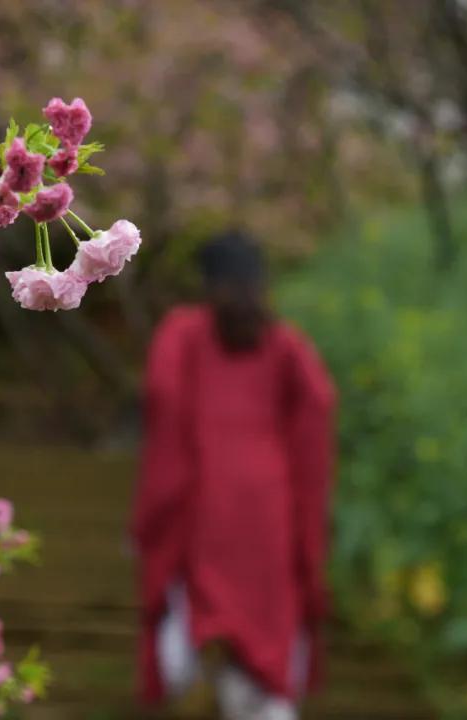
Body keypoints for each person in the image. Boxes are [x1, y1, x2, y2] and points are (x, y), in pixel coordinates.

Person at [132, 231, 336, 719]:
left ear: (207, 282)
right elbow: (318, 410)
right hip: (272, 507)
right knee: (268, 622)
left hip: (204, 503)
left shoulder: (184, 333)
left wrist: (152, 515)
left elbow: (164, 400)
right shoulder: (285, 344)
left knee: (200, 623)